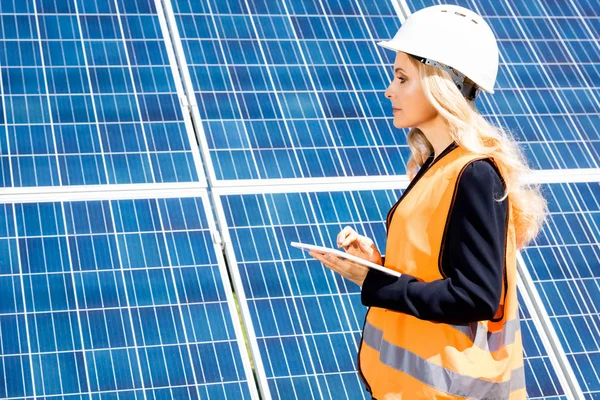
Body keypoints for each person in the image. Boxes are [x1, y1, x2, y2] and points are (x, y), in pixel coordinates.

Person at [308, 4, 547, 400]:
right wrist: (376, 264)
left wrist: (376, 284)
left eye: (402, 77)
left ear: (443, 83)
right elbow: (435, 270)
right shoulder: (440, 166)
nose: (389, 89)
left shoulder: (473, 173)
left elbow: (476, 296)